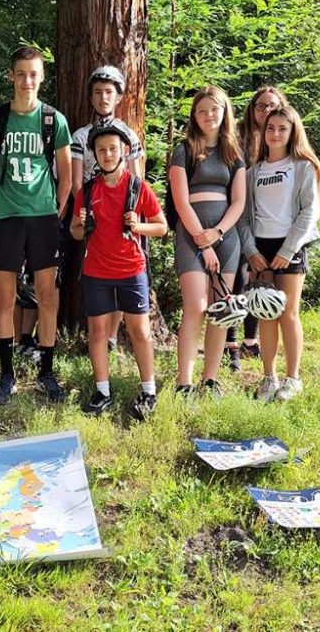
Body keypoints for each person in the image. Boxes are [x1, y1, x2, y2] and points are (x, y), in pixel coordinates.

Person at [0, 45, 72, 405]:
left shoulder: (53, 120)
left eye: (33, 74)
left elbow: (65, 178)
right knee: (3, 296)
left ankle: (46, 372)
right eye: (21, 73)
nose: (27, 80)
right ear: (11, 76)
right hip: (6, 217)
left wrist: (55, 215)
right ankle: (7, 375)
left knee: (47, 295)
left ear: (42, 77)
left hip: (43, 218)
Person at [70, 125, 166, 419]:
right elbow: (75, 233)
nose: (108, 154)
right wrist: (81, 224)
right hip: (96, 270)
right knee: (98, 332)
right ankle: (103, 392)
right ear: (94, 155)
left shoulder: (137, 187)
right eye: (101, 150)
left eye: (113, 148)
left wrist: (139, 226)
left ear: (124, 151)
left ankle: (148, 392)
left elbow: (161, 226)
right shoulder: (88, 191)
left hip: (131, 269)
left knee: (140, 330)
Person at [238, 103, 320, 402]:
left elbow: (309, 212)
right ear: (264, 133)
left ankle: (293, 378)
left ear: (292, 132)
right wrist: (250, 251)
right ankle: (268, 378)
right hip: (261, 249)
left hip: (290, 247)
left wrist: (289, 250)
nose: (275, 133)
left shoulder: (302, 167)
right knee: (266, 313)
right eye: (271, 128)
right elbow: (244, 216)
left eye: (282, 128)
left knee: (288, 313)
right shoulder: (253, 172)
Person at [169, 86, 246, 398]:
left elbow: (238, 202)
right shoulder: (183, 150)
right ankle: (184, 383)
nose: (209, 115)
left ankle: (210, 380)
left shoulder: (234, 153)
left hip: (226, 238)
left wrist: (218, 235)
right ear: (194, 116)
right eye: (202, 110)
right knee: (196, 307)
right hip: (192, 235)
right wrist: (203, 242)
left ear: (224, 111)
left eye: (214, 109)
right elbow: (181, 202)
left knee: (219, 309)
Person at [70, 65, 145, 350]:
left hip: (122, 214)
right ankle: (97, 333)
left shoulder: (129, 135)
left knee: (125, 271)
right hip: (93, 212)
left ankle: (112, 335)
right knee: (96, 273)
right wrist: (87, 212)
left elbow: (136, 180)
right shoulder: (80, 137)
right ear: (90, 98)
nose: (103, 98)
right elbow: (78, 182)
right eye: (98, 93)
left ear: (118, 97)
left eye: (109, 93)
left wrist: (132, 214)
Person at [225, 85, 288, 369]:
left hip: (266, 224)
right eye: (261, 106)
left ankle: (251, 340)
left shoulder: (283, 139)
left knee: (257, 279)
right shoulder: (238, 138)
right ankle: (231, 342)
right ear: (252, 109)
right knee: (236, 278)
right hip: (236, 216)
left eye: (272, 106)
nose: (266, 111)